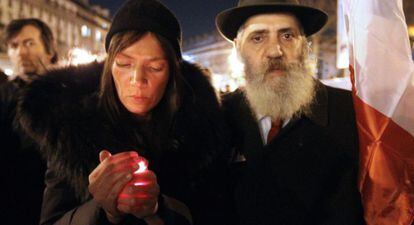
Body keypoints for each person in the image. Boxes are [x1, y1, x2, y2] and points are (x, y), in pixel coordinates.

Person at [18, 0, 231, 225]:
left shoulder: (202, 132)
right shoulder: (69, 126)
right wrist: (102, 209)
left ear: (173, 73)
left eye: (155, 67)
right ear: (109, 65)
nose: (137, 79)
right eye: (124, 64)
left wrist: (161, 209)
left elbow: (216, 212)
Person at [216, 0, 365, 224]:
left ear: (306, 46)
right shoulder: (218, 117)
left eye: (287, 36)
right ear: (238, 49)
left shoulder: (354, 115)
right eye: (258, 38)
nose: (275, 51)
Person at [0, 18, 57, 225]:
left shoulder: (71, 95)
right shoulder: (3, 96)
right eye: (14, 46)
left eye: (29, 43)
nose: (21, 52)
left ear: (50, 49)